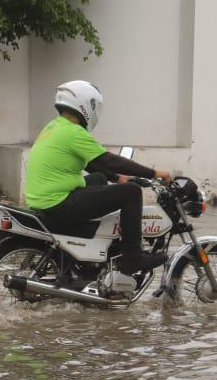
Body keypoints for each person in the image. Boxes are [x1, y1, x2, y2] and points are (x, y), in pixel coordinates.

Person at [23, 80, 173, 278]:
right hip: (57, 202)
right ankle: (132, 257)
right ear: (86, 105)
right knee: (131, 193)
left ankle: (90, 248)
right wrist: (154, 174)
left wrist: (116, 178)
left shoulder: (55, 127)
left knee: (99, 178)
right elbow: (109, 159)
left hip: (43, 200)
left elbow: (89, 163)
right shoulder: (74, 132)